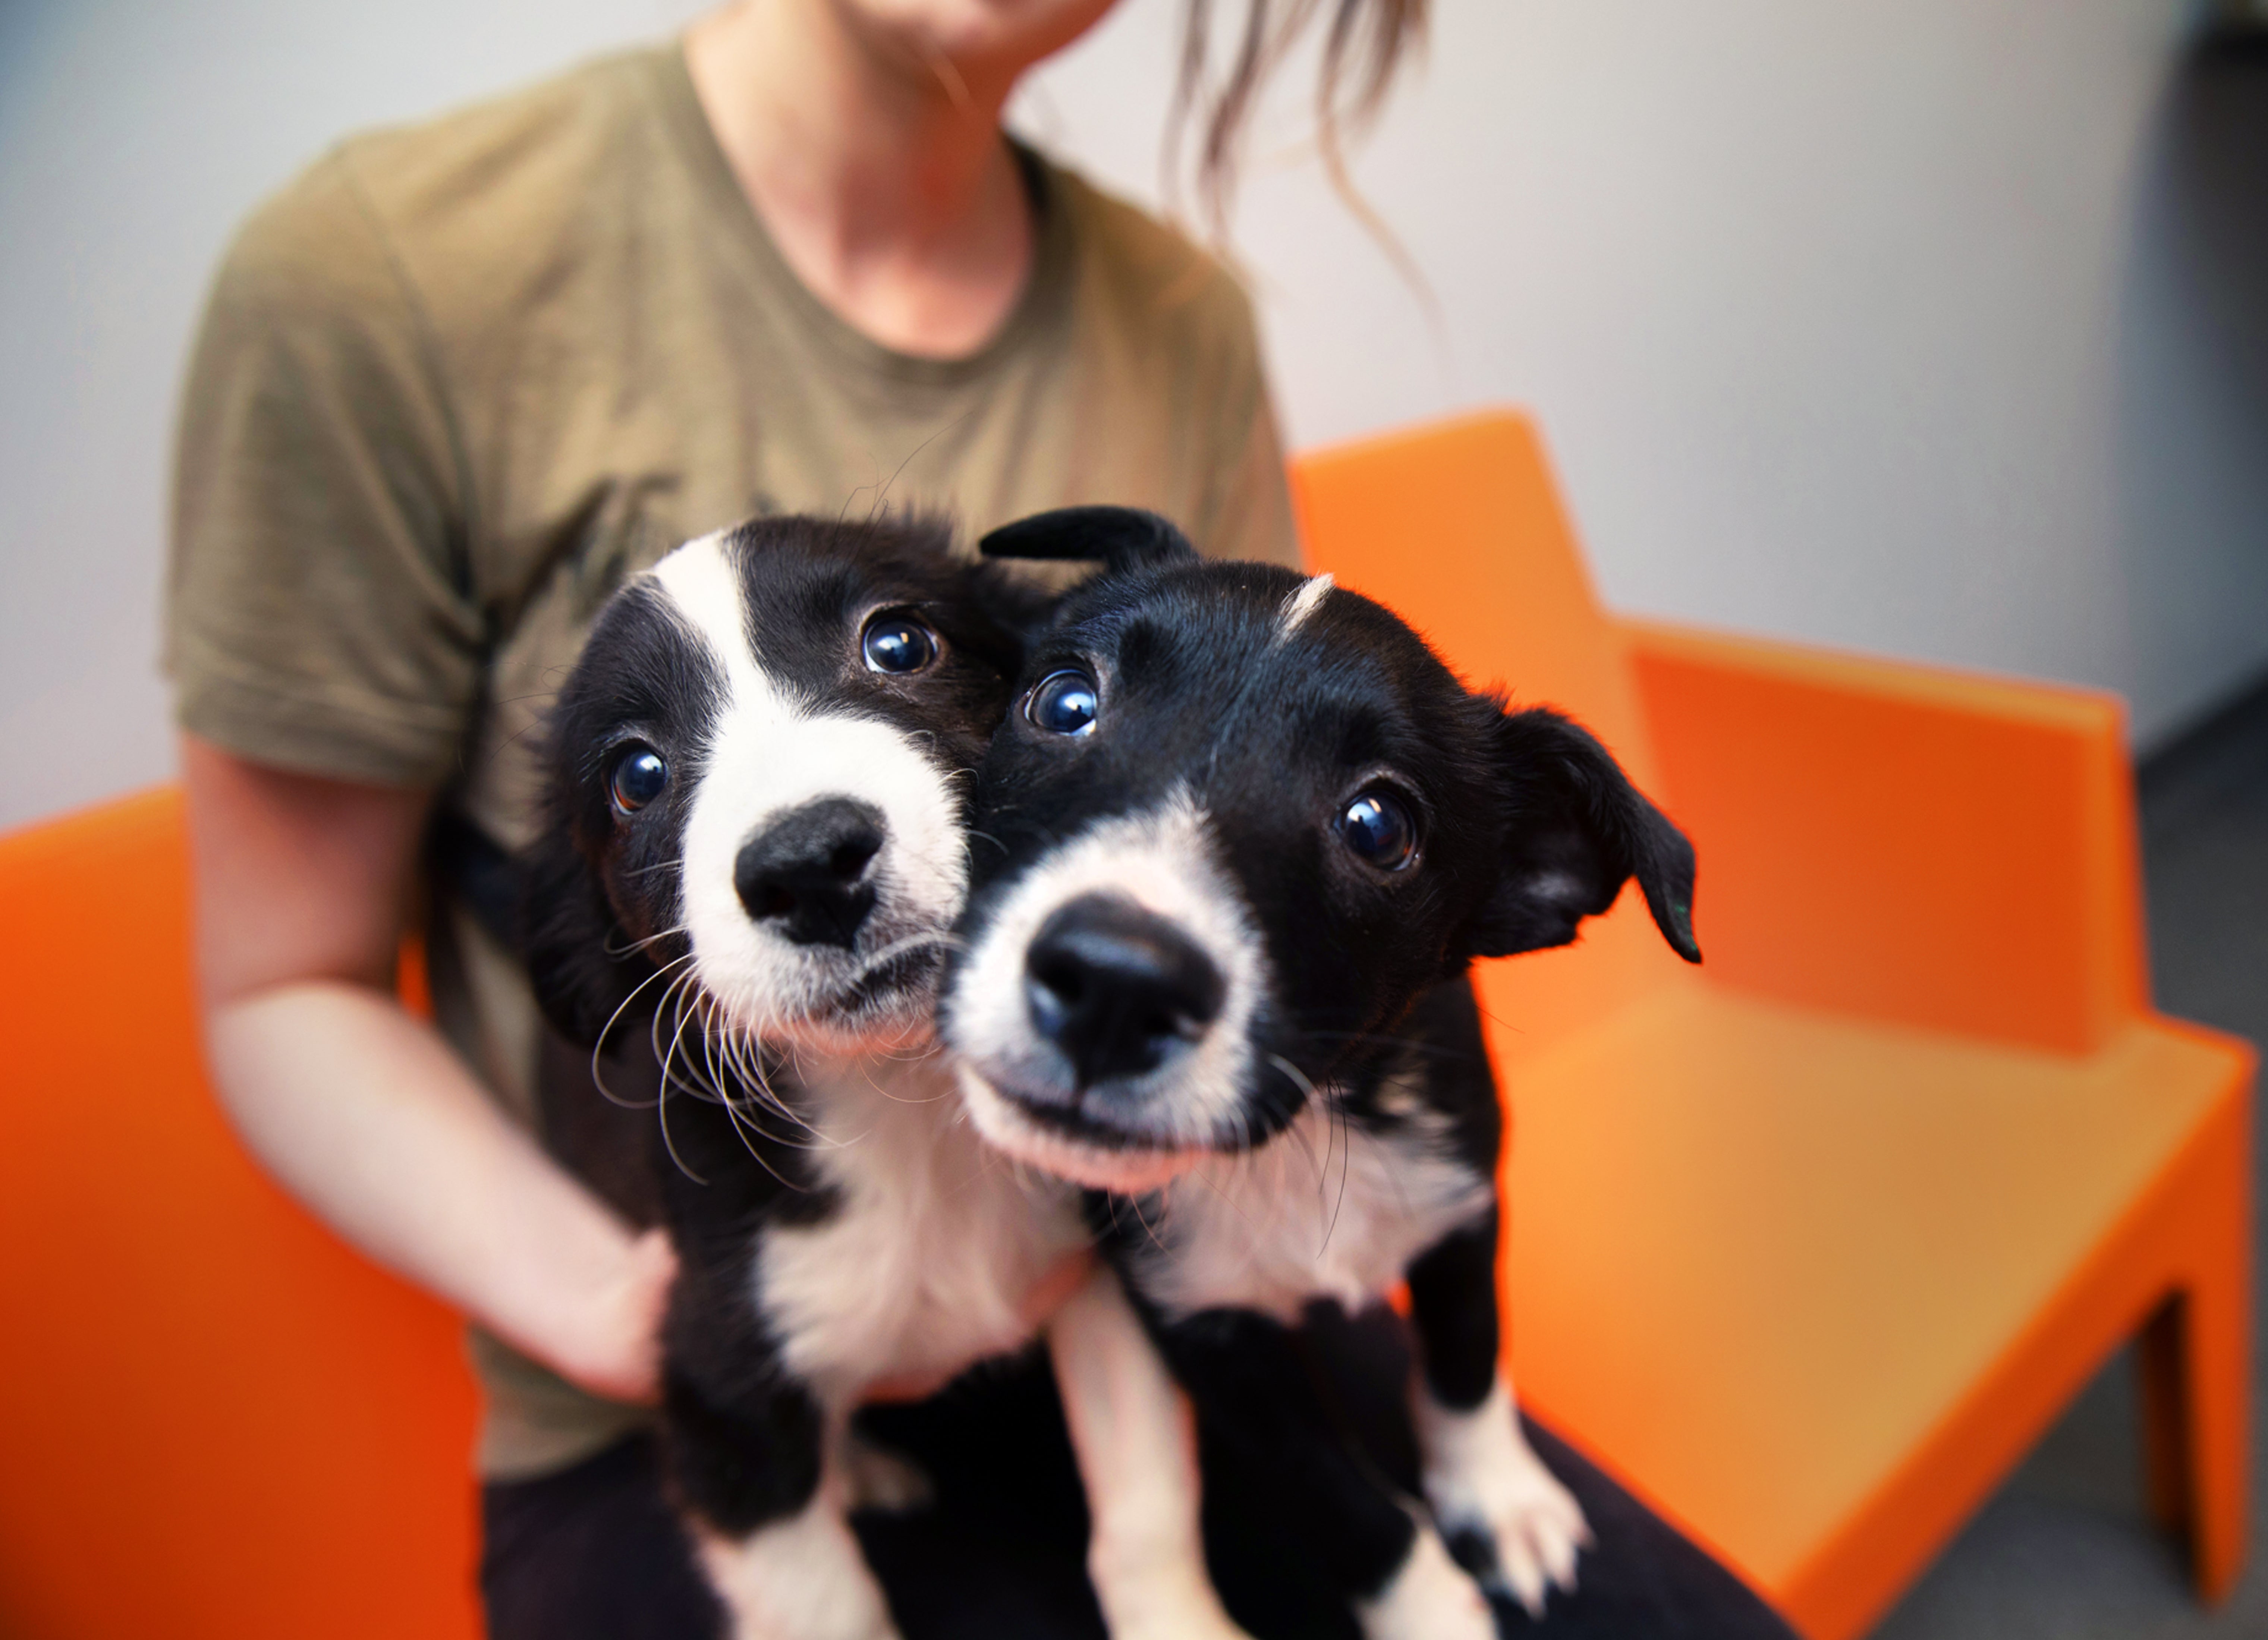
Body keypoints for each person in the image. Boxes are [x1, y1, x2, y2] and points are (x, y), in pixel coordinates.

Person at [166, 1, 1797, 1634]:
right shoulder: (383, 271)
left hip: (1152, 1249)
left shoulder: (1182, 321)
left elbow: (1257, 812)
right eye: (644, 776)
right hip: (701, 1374)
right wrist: (635, 1310)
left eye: (903, 652)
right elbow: (283, 983)